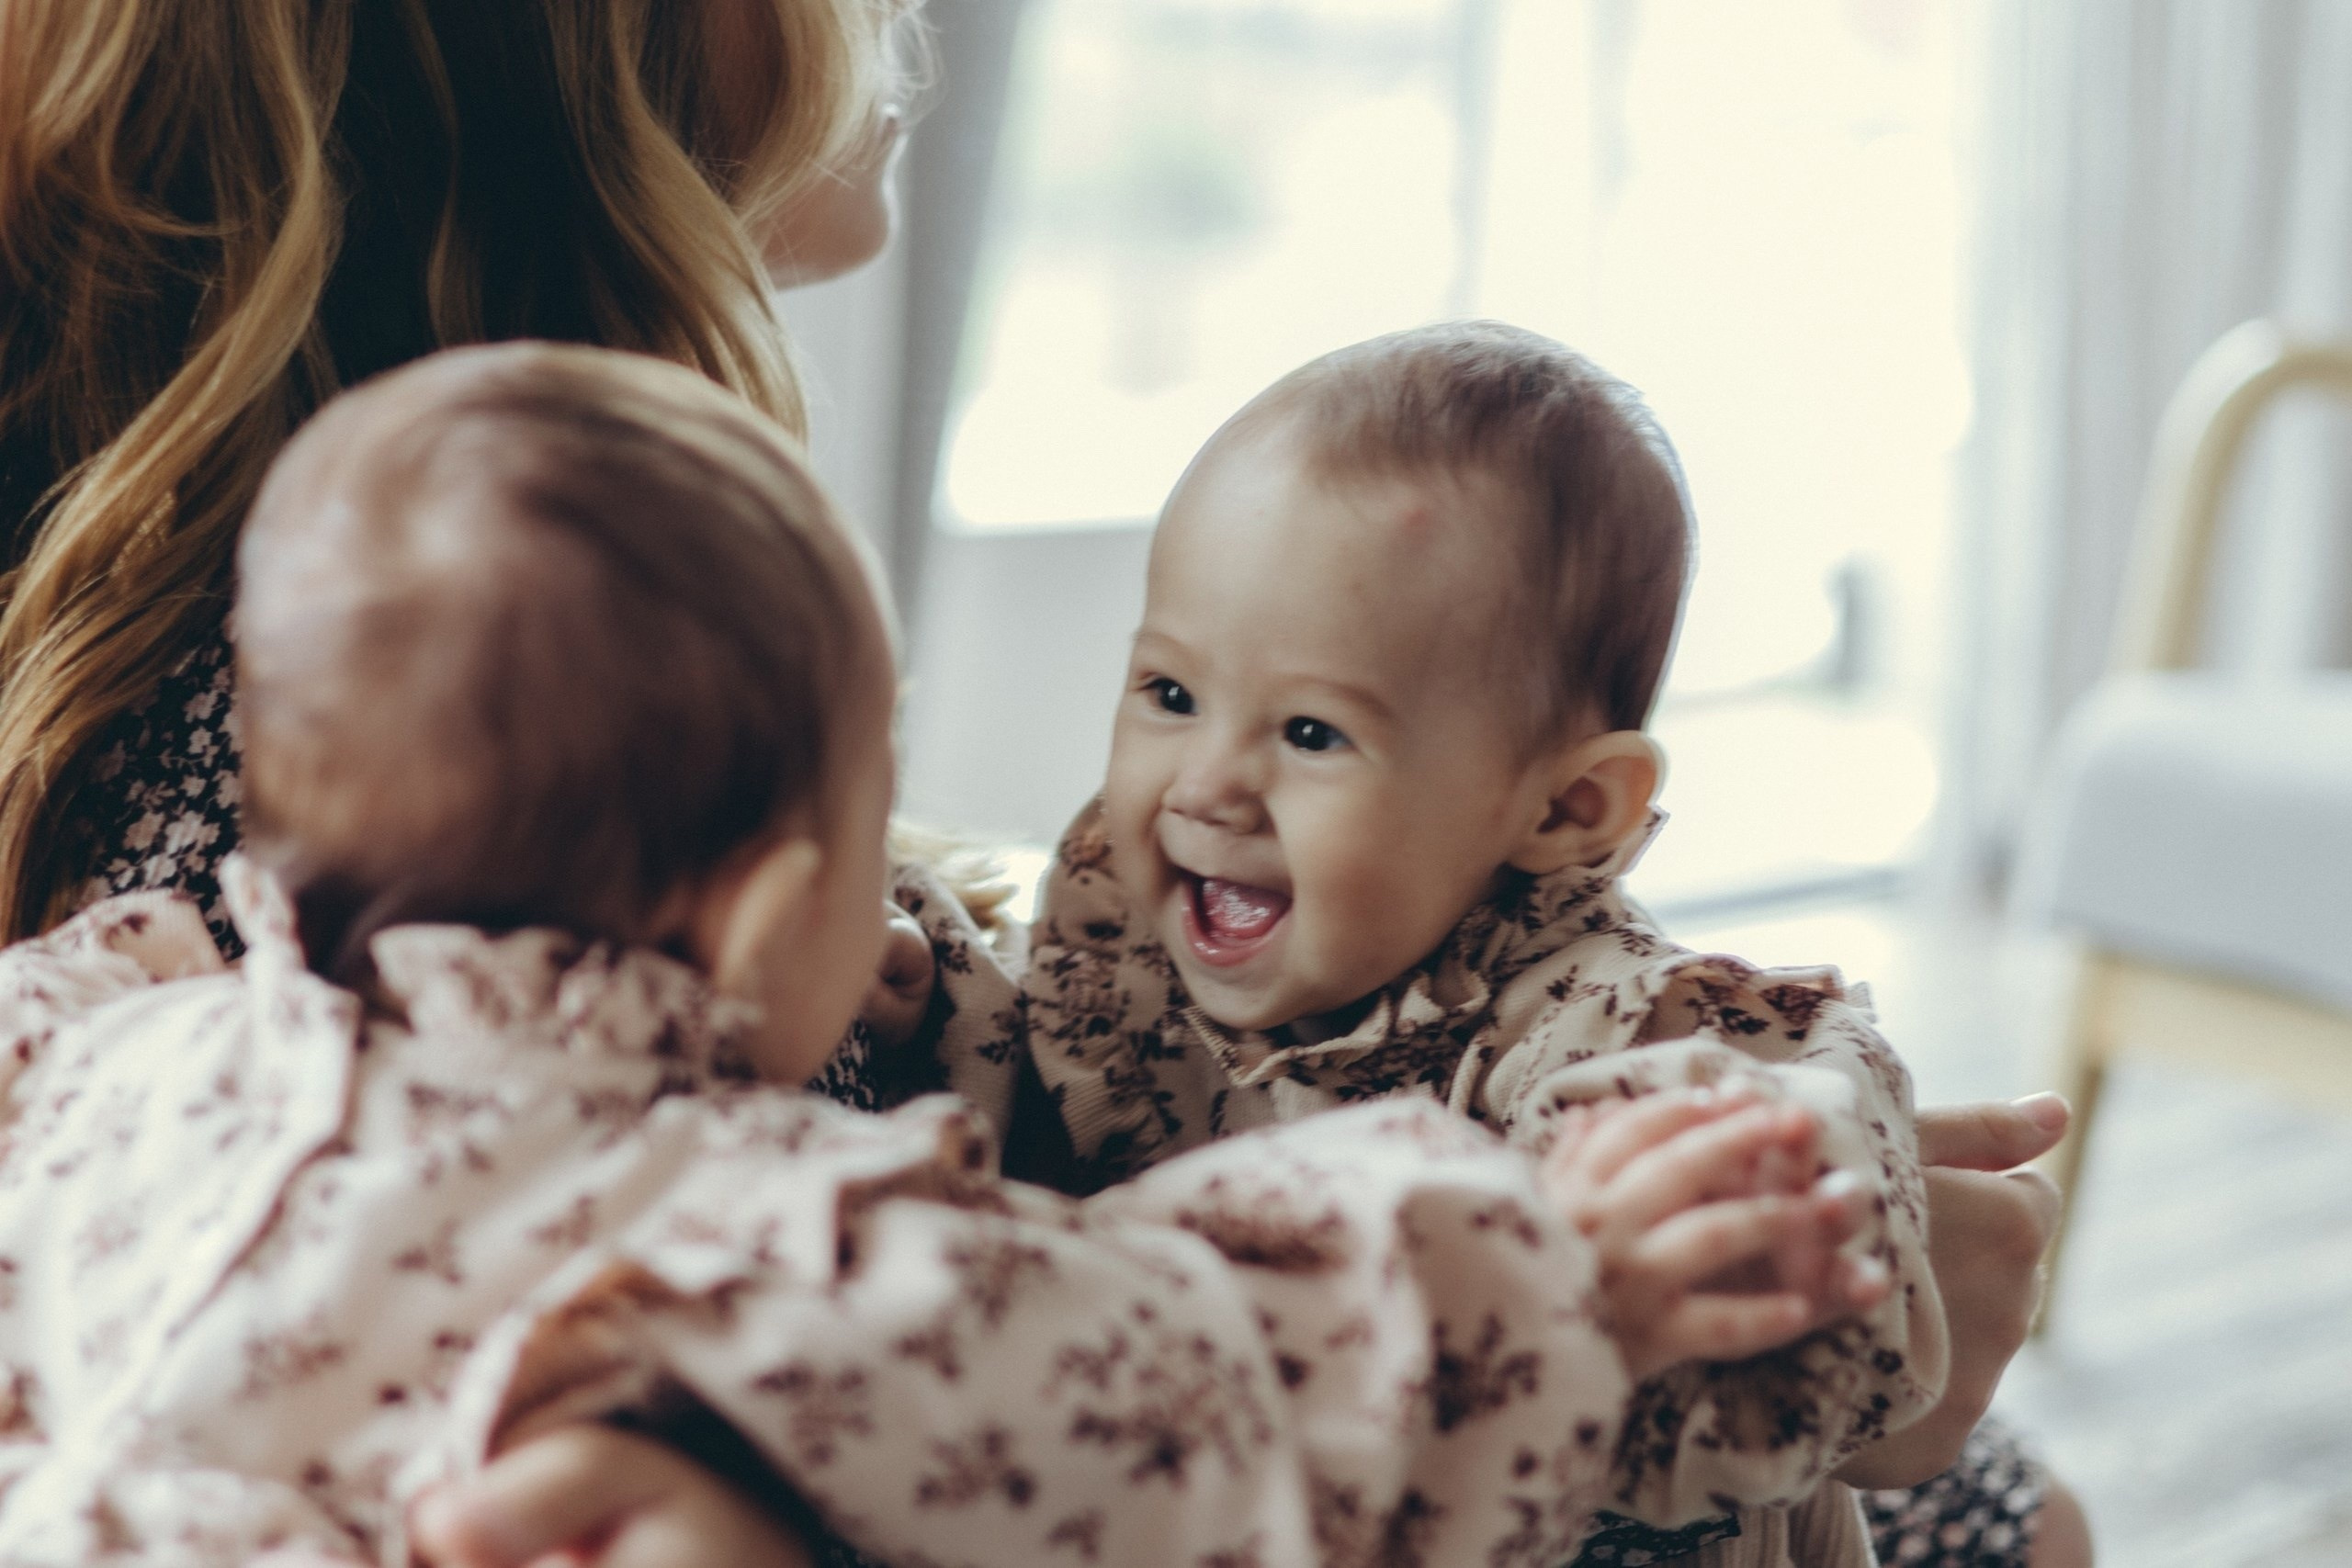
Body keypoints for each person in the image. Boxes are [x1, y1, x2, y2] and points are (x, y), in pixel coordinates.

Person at [0, 3, 2084, 1563]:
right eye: (1167, 692)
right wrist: (1579, 1276)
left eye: (1307, 725)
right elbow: (1149, 1355)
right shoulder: (751, 1235)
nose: (1197, 786)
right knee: (2004, 1513)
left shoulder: (183, 997)